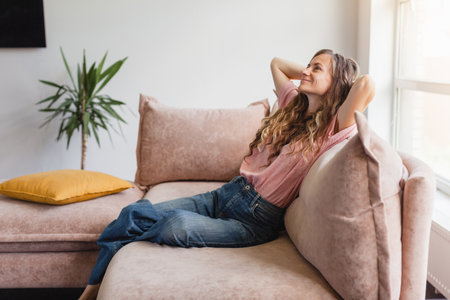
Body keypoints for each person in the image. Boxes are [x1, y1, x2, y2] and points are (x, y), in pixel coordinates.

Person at [79, 49, 375, 300]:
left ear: (336, 82)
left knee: (175, 226)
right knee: (131, 212)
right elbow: (276, 63)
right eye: (308, 65)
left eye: (316, 68)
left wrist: (334, 77)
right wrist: (314, 73)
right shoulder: (292, 105)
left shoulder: (332, 128)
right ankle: (91, 289)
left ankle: (117, 246)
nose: (307, 71)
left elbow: (366, 85)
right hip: (229, 193)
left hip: (257, 220)